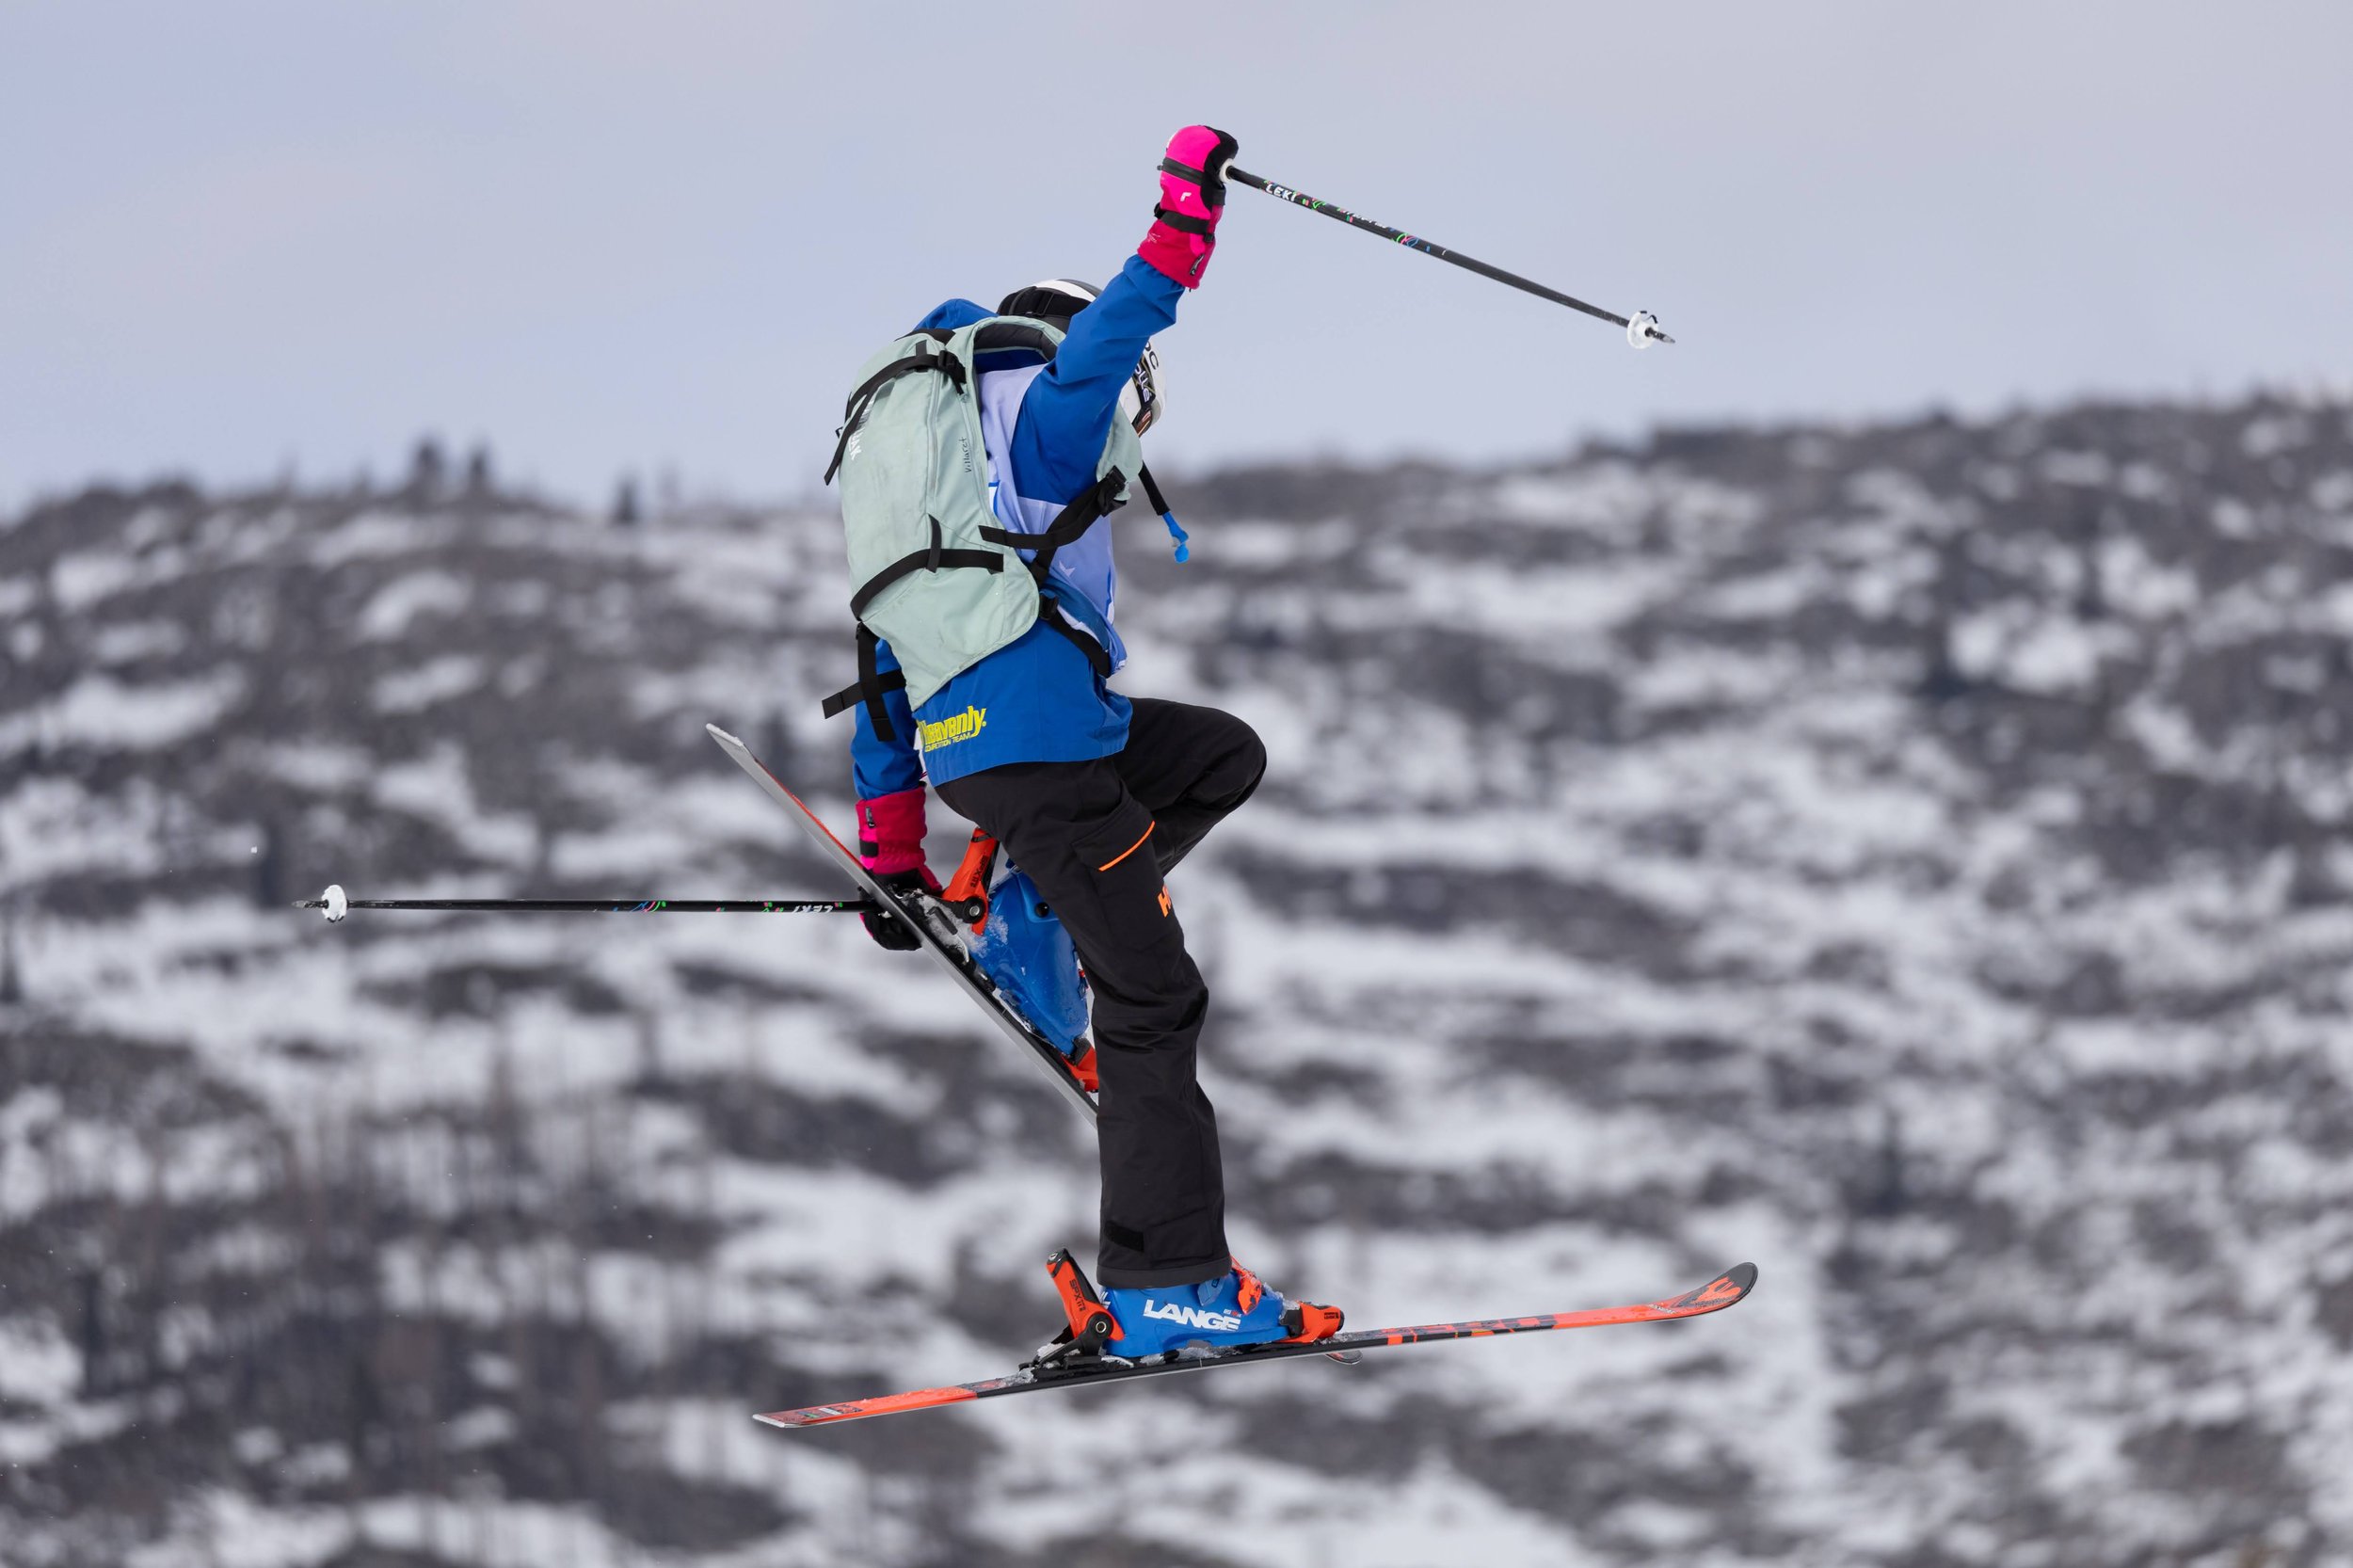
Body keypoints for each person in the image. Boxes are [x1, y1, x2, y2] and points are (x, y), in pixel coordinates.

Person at [843, 125, 1342, 1359]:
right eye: (1136, 392)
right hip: (1051, 755)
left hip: (992, 756)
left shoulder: (948, 489)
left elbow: (880, 664)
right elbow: (1117, 328)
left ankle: (1025, 922)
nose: (1134, 413)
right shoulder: (1051, 409)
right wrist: (1183, 225)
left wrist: (894, 857)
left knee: (1216, 755)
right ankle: (1167, 1277)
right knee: (1154, 995)